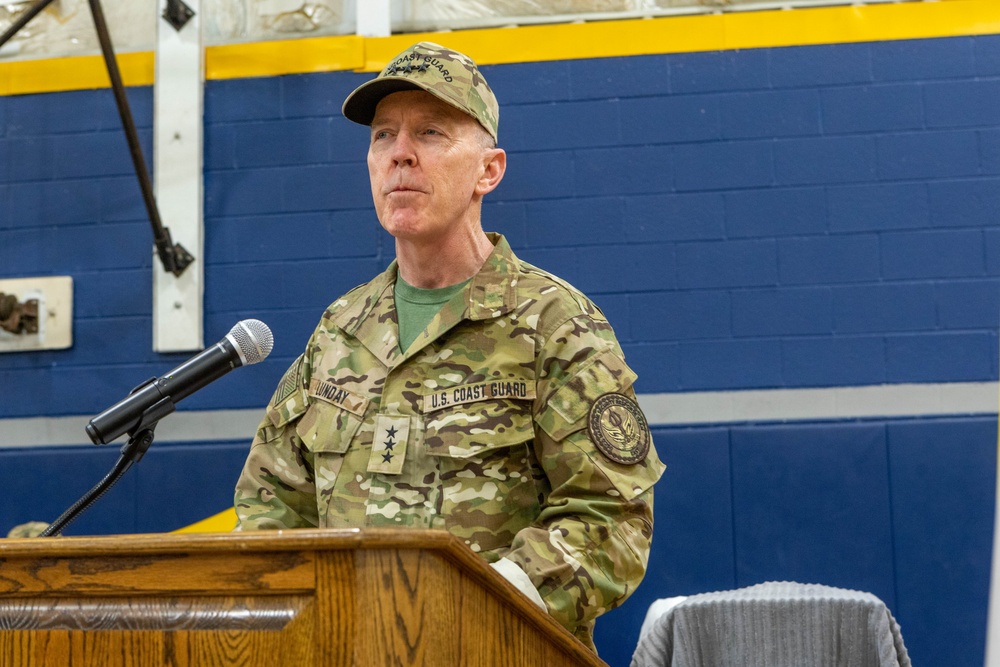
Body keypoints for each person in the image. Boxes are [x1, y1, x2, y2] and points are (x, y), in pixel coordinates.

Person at [233, 41, 665, 651]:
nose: (400, 154)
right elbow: (271, 501)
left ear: (489, 170)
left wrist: (468, 613)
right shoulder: (341, 328)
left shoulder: (553, 323)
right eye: (383, 136)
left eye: (431, 132)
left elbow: (610, 519)